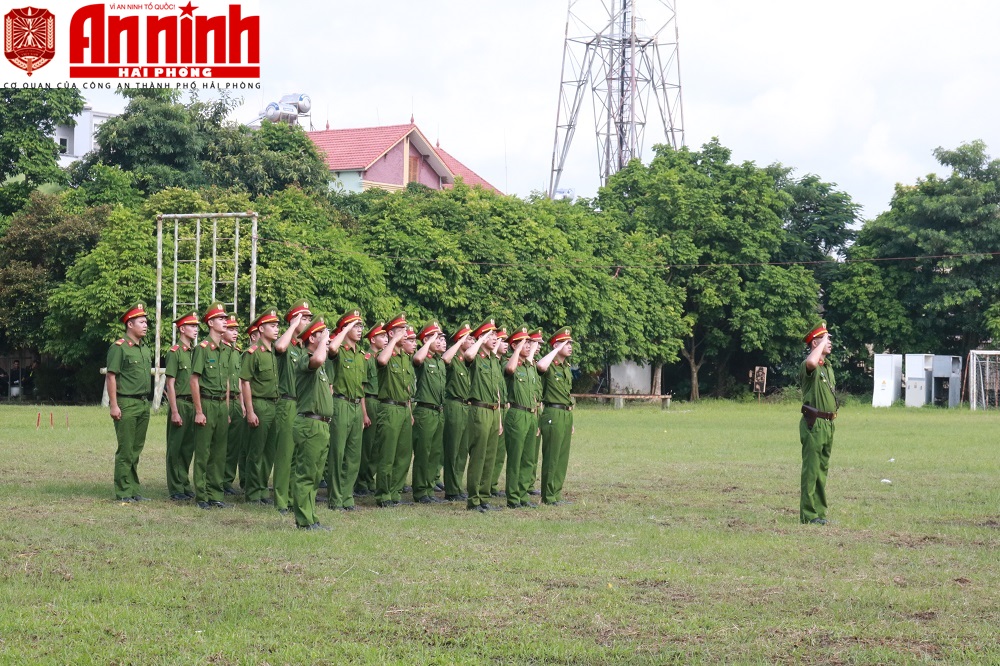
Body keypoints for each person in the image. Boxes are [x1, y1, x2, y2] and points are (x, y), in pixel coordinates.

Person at [106, 302, 153, 502]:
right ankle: (123, 491)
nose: (145, 325)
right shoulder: (119, 348)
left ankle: (134, 490)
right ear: (130, 324)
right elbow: (111, 377)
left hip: (143, 404)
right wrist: (114, 405)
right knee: (125, 449)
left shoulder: (144, 349)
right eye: (141, 322)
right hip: (126, 403)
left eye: (146, 322)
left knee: (136, 449)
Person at [290, 316, 333, 530]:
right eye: (321, 334)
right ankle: (304, 520)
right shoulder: (304, 358)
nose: (327, 337)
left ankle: (311, 517)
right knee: (306, 473)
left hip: (321, 425)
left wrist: (325, 342)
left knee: (315, 475)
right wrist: (325, 339)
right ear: (312, 338)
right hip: (309, 423)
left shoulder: (321, 363)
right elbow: (317, 361)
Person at [324, 308, 368, 512]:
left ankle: (347, 496)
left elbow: (363, 388)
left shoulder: (361, 355)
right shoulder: (339, 350)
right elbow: (331, 348)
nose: (359, 330)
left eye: (360, 326)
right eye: (355, 326)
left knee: (353, 454)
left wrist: (364, 413)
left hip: (356, 405)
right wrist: (345, 328)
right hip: (340, 404)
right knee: (337, 452)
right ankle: (335, 498)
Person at [190, 302, 231, 510]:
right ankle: (202, 495)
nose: (225, 321)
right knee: (203, 451)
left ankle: (216, 493)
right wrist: (198, 411)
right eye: (221, 318)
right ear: (210, 322)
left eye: (225, 318)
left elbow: (227, 382)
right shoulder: (202, 349)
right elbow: (194, 380)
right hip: (206, 402)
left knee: (219, 452)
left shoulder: (226, 350)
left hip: (221, 405)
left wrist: (227, 408)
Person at [241, 308, 283, 506]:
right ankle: (252, 492)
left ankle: (262, 489)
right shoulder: (253, 353)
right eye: (272, 326)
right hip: (260, 404)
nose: (276, 330)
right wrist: (250, 410)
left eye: (277, 326)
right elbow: (245, 382)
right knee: (255, 451)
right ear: (261, 328)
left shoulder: (276, 352)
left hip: (275, 404)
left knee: (269, 451)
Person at [274, 300, 312, 514]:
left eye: (308, 318)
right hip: (288, 403)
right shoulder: (287, 346)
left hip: (303, 405)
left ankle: (291, 497)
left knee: (298, 455)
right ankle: (281, 500)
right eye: (303, 318)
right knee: (285, 454)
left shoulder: (302, 348)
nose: (307, 321)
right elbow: (279, 346)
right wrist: (292, 325)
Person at [799, 321, 838, 525]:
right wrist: (820, 344)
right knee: (811, 470)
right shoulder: (810, 366)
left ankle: (820, 513)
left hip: (828, 423)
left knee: (822, 470)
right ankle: (808, 515)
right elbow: (811, 363)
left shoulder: (828, 367)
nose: (829, 342)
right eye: (825, 339)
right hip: (814, 423)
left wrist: (821, 342)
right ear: (815, 343)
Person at [373, 313, 414, 508]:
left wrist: (410, 412)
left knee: (403, 455)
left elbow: (407, 388)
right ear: (390, 333)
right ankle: (383, 495)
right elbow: (381, 361)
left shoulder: (406, 357)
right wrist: (393, 341)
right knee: (387, 455)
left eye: (405, 330)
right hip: (388, 408)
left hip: (404, 409)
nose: (405, 334)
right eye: (401, 330)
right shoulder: (386, 353)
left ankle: (396, 493)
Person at [463, 319, 504, 512]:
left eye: (496, 335)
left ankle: (485, 496)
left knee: (490, 456)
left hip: (494, 411)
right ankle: (474, 499)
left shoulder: (494, 360)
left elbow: (497, 391)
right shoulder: (476, 357)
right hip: (479, 409)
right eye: (491, 335)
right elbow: (468, 354)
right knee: (478, 455)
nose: (495, 338)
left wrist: (500, 419)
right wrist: (480, 340)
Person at [503, 327, 540, 509]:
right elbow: (509, 369)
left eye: (529, 343)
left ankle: (524, 495)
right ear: (514, 345)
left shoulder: (530, 366)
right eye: (523, 343)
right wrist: (517, 350)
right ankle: (513, 497)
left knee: (528, 458)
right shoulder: (511, 363)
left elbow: (535, 392)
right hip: (516, 413)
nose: (528, 346)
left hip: (531, 414)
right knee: (516, 457)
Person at [537, 327, 575, 506]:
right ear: (556, 346)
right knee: (551, 456)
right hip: (552, 412)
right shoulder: (549, 365)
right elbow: (541, 366)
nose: (570, 347)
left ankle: (556, 494)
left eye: (571, 344)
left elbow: (567, 393)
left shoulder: (566, 367)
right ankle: (548, 496)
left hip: (566, 413)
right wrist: (555, 349)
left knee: (562, 457)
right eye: (566, 344)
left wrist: (571, 419)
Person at [410, 320, 447, 504]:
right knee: (423, 452)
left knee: (435, 452)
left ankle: (430, 488)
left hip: (439, 412)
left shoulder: (440, 362)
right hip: (424, 410)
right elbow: (417, 359)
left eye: (441, 338)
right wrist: (426, 342)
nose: (441, 341)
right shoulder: (423, 359)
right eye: (436, 338)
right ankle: (420, 491)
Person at [164, 310, 199, 501]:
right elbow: (170, 383)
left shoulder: (195, 353)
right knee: (175, 448)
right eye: (192, 326)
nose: (195, 330)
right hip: (180, 403)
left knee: (188, 448)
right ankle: (175, 488)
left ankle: (184, 483)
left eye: (196, 326)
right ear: (182, 328)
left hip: (193, 405)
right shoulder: (175, 353)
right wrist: (175, 411)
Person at [442, 322, 473, 502]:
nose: (472, 341)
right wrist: (459, 341)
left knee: (462, 450)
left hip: (466, 406)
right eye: (468, 338)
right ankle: (451, 489)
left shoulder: (466, 362)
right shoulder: (453, 358)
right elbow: (445, 359)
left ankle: (457, 486)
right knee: (452, 449)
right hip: (453, 404)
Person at [356, 321, 386, 496]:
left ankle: (369, 478)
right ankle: (360, 481)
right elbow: (362, 387)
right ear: (373, 339)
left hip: (381, 402)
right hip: (370, 401)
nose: (386, 339)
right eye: (382, 336)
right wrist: (364, 413)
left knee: (377, 446)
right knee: (366, 446)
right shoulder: (367, 358)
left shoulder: (383, 358)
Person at [222, 313, 247, 496]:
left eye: (237, 329)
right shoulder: (218, 351)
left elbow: (239, 380)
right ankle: (217, 480)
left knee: (234, 446)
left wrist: (243, 404)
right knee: (221, 444)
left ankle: (227, 481)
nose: (235, 333)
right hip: (222, 401)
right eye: (231, 329)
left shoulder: (236, 352)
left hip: (236, 402)